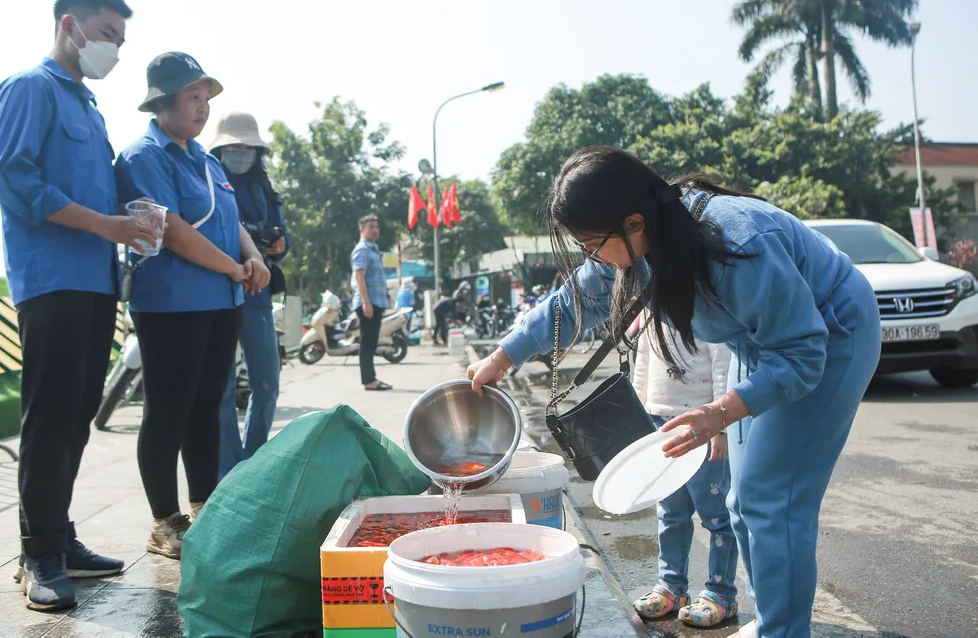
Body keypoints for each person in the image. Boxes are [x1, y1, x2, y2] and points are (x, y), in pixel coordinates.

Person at [468, 147, 881, 638]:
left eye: (592, 243)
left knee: (772, 500)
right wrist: (504, 356)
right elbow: (578, 297)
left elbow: (801, 353)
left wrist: (722, 411)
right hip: (761, 345)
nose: (592, 257)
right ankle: (772, 620)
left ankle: (784, 632)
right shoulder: (640, 239)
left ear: (634, 221)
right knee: (741, 504)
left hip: (829, 337)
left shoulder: (738, 243)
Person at [0, 0, 146, 611]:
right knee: (50, 418)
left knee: (77, 415)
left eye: (122, 41)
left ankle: (60, 536)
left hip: (94, 280)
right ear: (70, 26)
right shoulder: (29, 87)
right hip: (49, 278)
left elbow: (98, 193)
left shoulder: (88, 106)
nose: (115, 49)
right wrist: (104, 225)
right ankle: (38, 554)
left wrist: (131, 221)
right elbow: (11, 175)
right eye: (109, 35)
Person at [116, 52, 270, 560]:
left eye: (206, 97)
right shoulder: (144, 156)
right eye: (192, 96)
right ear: (162, 101)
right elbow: (174, 231)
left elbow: (233, 219)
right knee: (168, 410)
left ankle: (204, 509)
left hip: (221, 301)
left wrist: (251, 258)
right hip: (172, 303)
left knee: (207, 407)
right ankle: (164, 522)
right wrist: (232, 267)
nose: (202, 107)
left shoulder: (204, 159)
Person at [631, 316, 738, 628]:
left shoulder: (706, 308)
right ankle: (672, 587)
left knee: (717, 516)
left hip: (703, 427)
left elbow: (723, 366)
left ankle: (721, 594)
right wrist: (637, 420)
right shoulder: (651, 311)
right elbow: (641, 365)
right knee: (670, 511)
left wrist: (722, 428)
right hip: (659, 425)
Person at [209, 113, 289, 481]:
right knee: (221, 386)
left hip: (258, 293)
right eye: (234, 147)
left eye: (248, 148)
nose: (241, 153)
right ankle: (229, 469)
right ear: (220, 149)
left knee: (268, 382)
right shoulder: (208, 178)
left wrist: (277, 243)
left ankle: (253, 463)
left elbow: (282, 242)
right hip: (218, 288)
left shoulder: (264, 188)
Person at [350, 215, 391, 390]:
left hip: (376, 302)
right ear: (362, 229)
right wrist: (366, 303)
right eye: (370, 227)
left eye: (376, 226)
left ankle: (371, 378)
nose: (375, 230)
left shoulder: (374, 249)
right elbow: (359, 277)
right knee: (367, 343)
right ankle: (369, 380)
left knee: (372, 342)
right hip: (368, 303)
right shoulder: (362, 250)